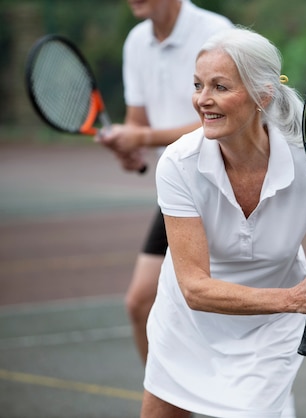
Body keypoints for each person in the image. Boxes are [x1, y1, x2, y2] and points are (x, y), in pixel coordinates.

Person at [140, 27, 306, 418]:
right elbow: (195, 289)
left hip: (271, 329)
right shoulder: (178, 164)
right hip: (188, 324)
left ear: (262, 95)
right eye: (198, 85)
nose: (202, 100)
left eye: (220, 87)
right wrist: (293, 299)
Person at [95, 0, 233, 364]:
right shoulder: (136, 41)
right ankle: (170, 400)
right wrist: (130, 146)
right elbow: (138, 122)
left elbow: (223, 117)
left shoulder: (214, 31)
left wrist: (141, 139)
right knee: (141, 303)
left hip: (227, 184)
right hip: (180, 189)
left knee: (223, 311)